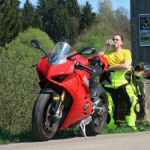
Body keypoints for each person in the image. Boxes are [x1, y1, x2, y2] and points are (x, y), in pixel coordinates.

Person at [98, 34, 139, 131]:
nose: (115, 41)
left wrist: (110, 67)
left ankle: (130, 123)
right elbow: (97, 58)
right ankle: (110, 126)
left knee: (133, 100)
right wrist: (106, 46)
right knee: (108, 106)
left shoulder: (126, 52)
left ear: (121, 42)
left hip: (122, 81)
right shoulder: (107, 53)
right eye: (113, 39)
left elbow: (126, 65)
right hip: (108, 83)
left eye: (117, 39)